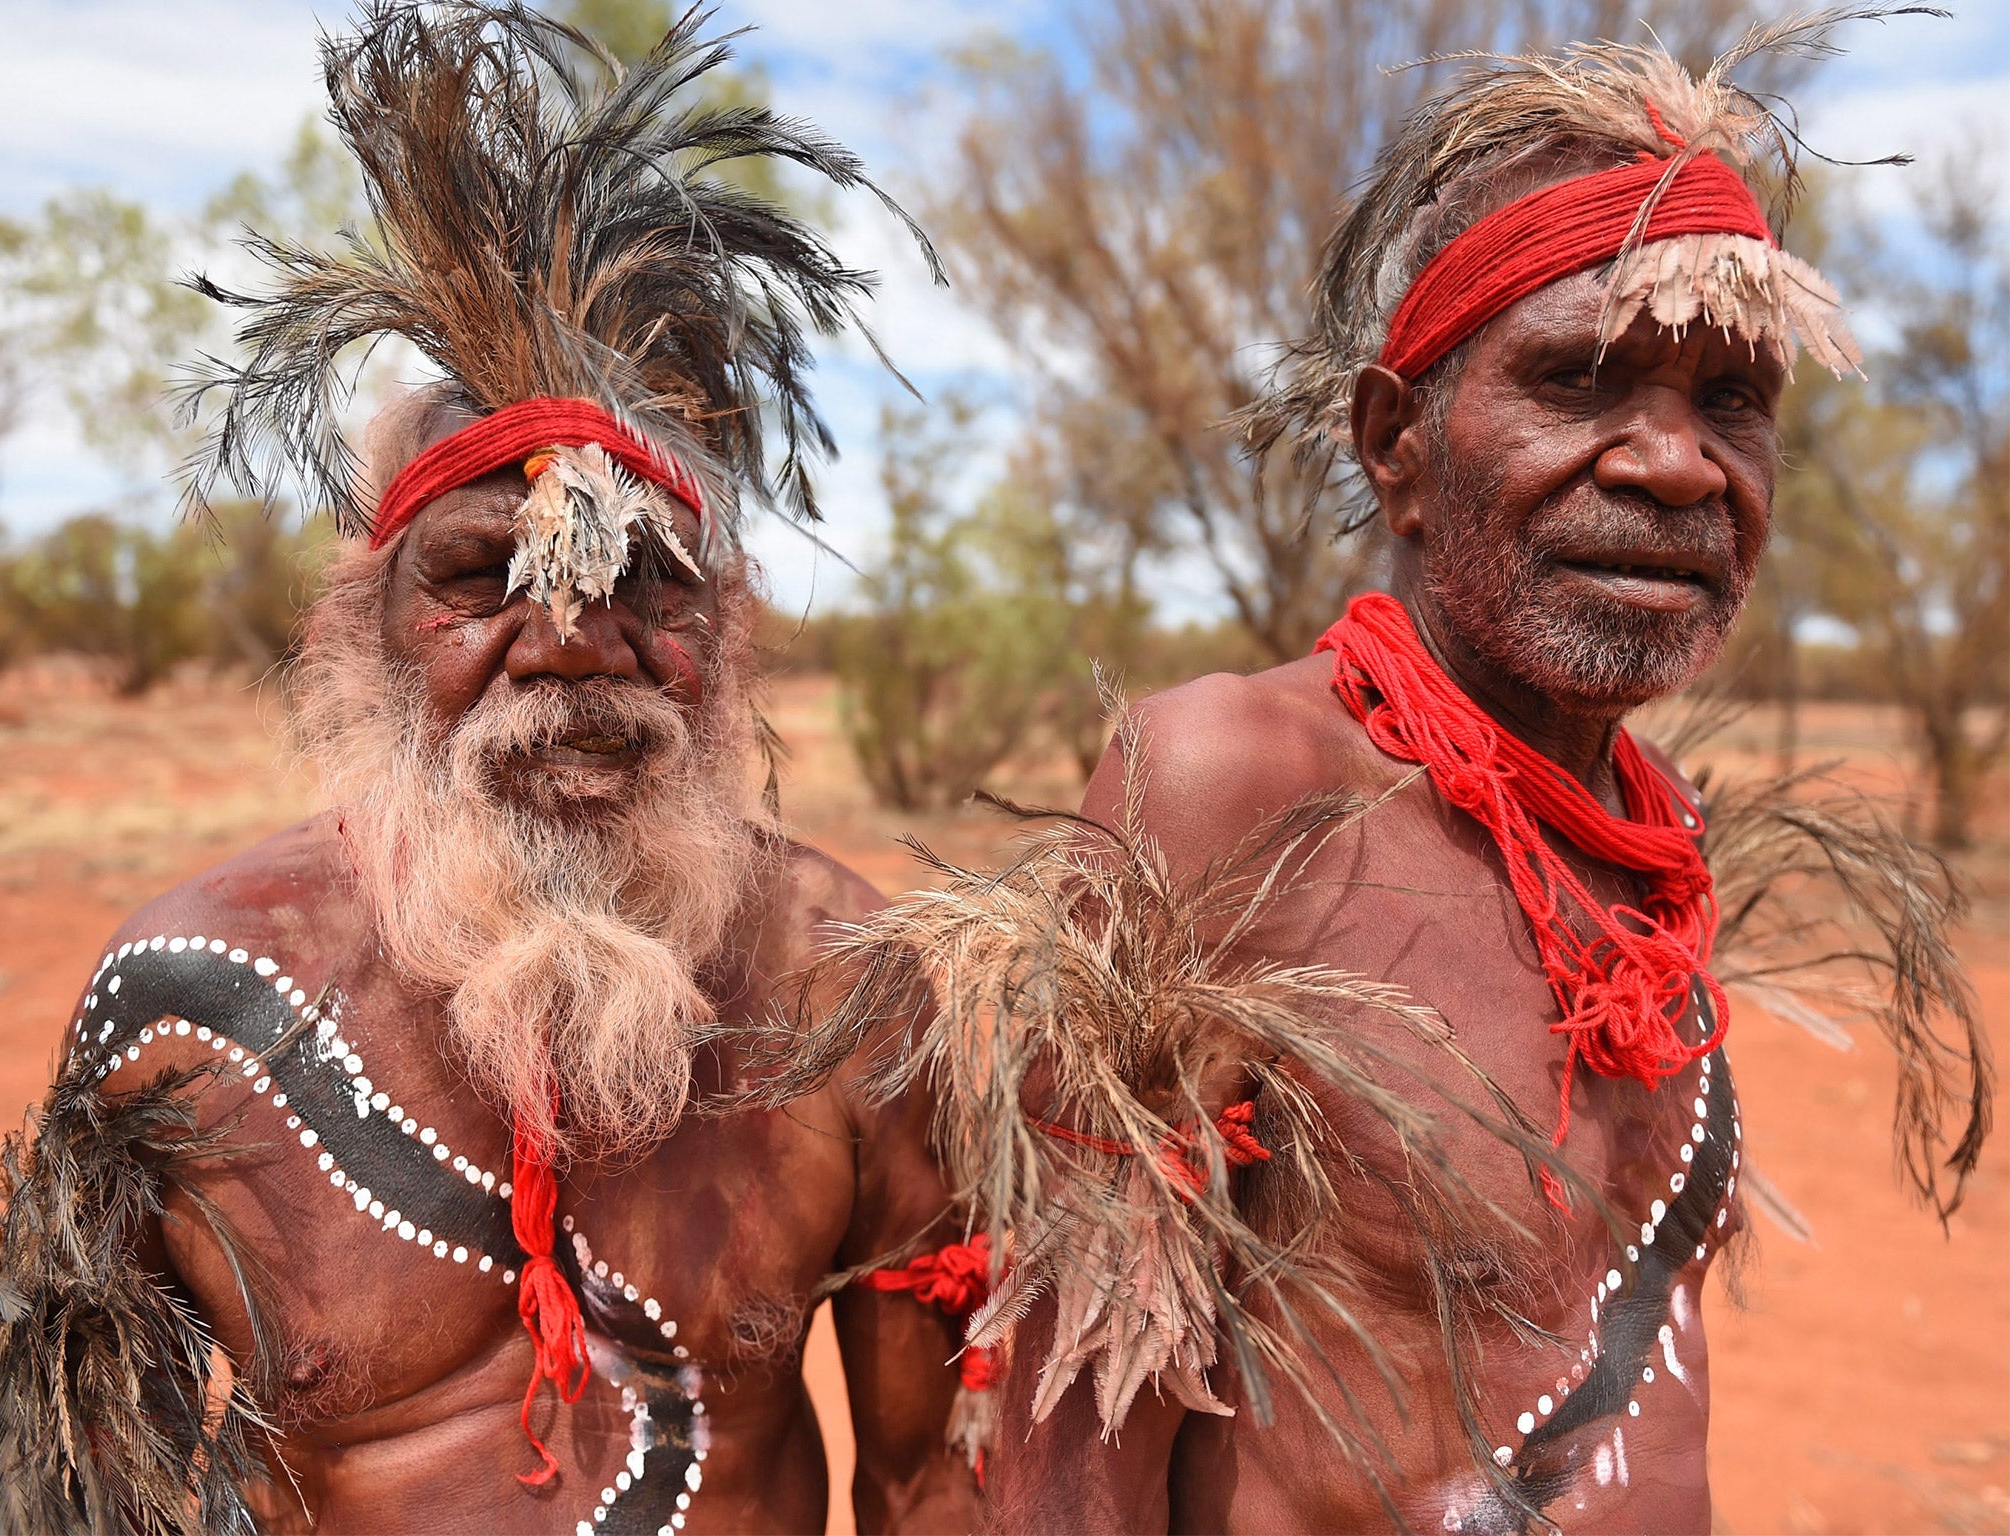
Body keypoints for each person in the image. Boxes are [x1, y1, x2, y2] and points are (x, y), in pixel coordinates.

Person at [802, 22, 1992, 1535]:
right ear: (1397, 448)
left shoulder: (1647, 841)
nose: (1679, 465)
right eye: (1580, 379)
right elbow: (1070, 1435)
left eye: (1734, 402)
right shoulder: (1235, 789)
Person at [0, 7, 981, 1533]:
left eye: (650, 586)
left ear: (732, 633)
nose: (571, 645)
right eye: (480, 576)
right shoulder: (186, 1003)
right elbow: (78, 1489)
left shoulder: (852, 998)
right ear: (361, 634)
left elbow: (926, 1490)